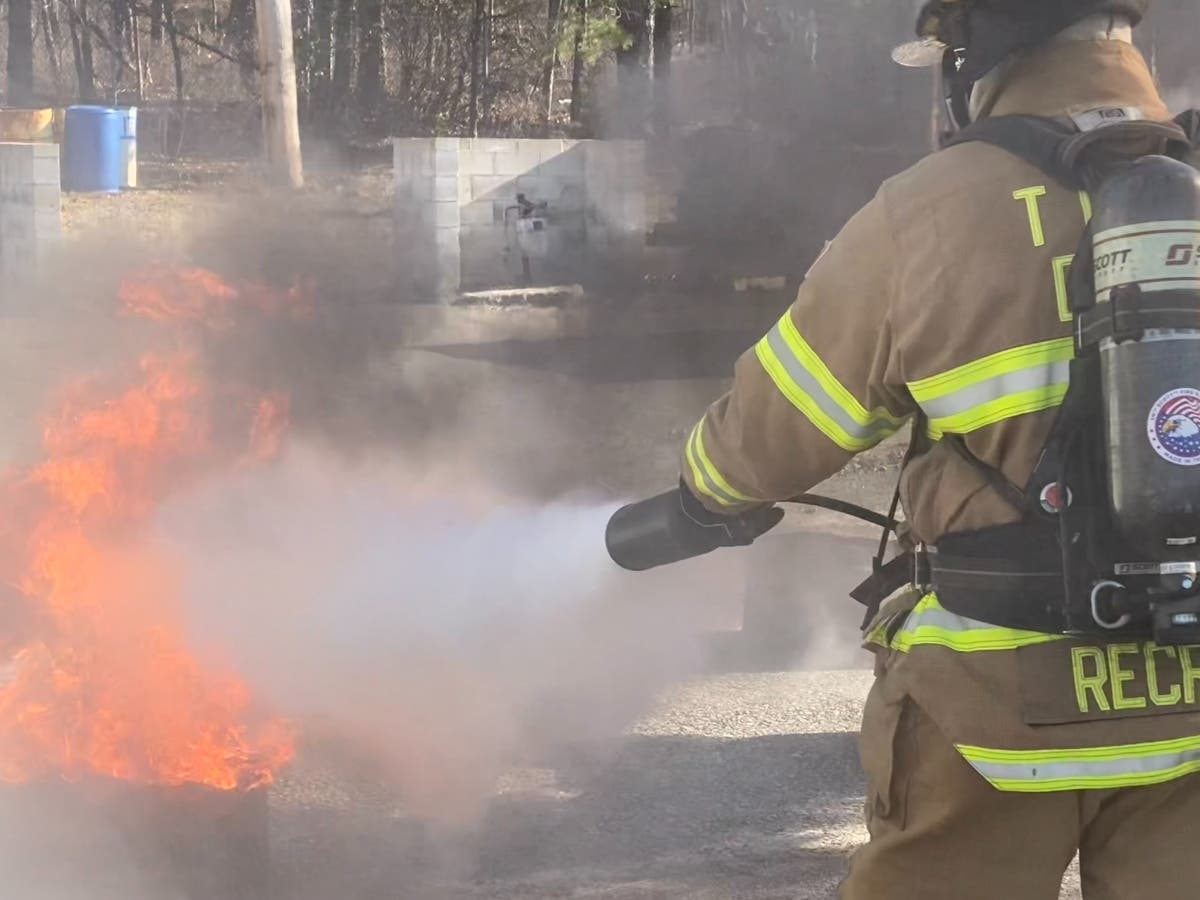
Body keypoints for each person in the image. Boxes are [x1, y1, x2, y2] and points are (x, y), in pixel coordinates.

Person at [632, 2, 1200, 897]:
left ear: (974, 54)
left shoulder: (929, 210)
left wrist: (702, 496)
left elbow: (776, 429)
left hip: (994, 706)